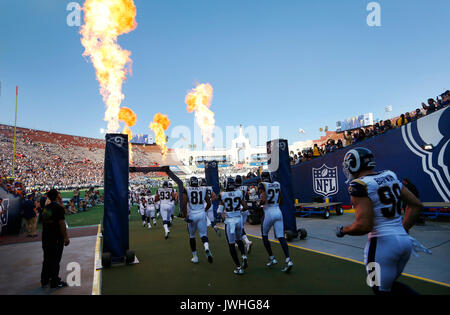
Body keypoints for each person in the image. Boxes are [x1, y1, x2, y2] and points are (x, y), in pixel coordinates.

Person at [337, 148, 423, 295]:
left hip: (382, 246)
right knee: (389, 286)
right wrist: (403, 229)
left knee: (378, 288)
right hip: (404, 243)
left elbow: (364, 226)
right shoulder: (390, 175)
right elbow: (416, 205)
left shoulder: (359, 185)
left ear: (354, 164)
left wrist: (343, 230)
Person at [258, 171, 294, 273]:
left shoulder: (262, 185)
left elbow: (263, 199)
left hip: (268, 212)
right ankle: (288, 259)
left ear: (262, 178)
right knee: (281, 237)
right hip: (278, 211)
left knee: (265, 235)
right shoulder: (277, 184)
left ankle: (272, 258)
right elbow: (281, 200)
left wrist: (258, 204)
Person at [218, 177, 249, 275]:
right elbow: (245, 207)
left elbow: (219, 211)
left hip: (230, 221)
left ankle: (239, 268)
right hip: (238, 220)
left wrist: (224, 216)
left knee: (231, 245)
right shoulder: (239, 193)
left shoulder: (223, 194)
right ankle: (244, 256)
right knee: (239, 240)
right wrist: (238, 212)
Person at [41, 189, 70, 289]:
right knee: (55, 260)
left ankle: (44, 280)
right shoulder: (58, 208)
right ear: (57, 196)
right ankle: (55, 282)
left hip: (46, 237)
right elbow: (61, 223)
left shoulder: (46, 207)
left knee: (47, 259)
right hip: (56, 238)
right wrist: (66, 237)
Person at [182, 176, 213, 264]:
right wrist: (204, 210)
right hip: (201, 213)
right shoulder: (203, 188)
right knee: (203, 234)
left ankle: (195, 257)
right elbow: (209, 203)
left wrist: (185, 216)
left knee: (192, 236)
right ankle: (206, 247)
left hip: (192, 214)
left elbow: (184, 204)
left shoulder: (187, 189)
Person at [234, 175, 253, 253]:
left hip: (238, 208)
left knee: (238, 227)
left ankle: (246, 241)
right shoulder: (245, 187)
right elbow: (248, 197)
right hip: (245, 208)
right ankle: (238, 241)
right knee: (240, 227)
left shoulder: (234, 188)